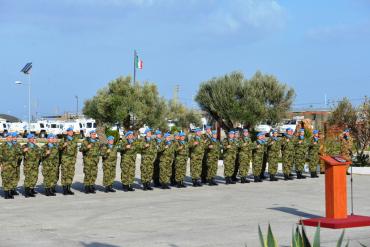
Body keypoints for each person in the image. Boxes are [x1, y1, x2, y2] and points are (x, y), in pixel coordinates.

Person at [0, 133, 22, 199]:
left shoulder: (14, 145)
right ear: (6, 138)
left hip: (13, 165)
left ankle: (10, 192)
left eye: (11, 137)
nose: (10, 138)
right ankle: (6, 194)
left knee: (11, 178)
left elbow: (18, 153)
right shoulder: (3, 146)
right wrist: (1, 165)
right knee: (5, 178)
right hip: (5, 165)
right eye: (8, 137)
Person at [59, 127, 78, 195]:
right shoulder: (63, 139)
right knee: (65, 174)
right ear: (67, 132)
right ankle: (64, 190)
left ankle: (68, 189)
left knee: (70, 174)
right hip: (65, 159)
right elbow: (59, 148)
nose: (71, 132)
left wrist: (75, 158)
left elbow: (76, 150)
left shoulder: (74, 140)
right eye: (69, 131)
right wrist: (63, 145)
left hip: (72, 159)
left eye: (72, 131)